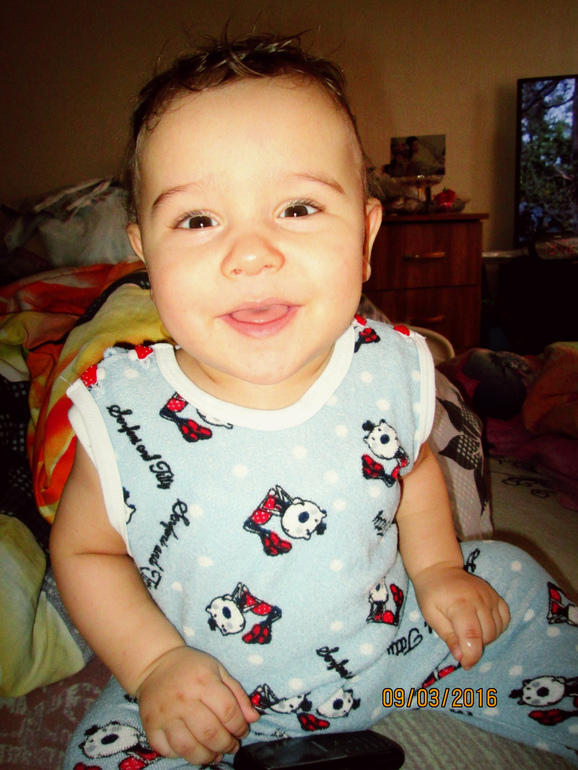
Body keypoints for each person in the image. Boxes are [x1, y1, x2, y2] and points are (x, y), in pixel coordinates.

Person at [50, 32, 577, 769]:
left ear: (365, 236)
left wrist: (437, 571)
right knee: (105, 755)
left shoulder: (386, 365)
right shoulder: (124, 410)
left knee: (507, 580)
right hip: (209, 688)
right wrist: (153, 666)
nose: (251, 253)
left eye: (297, 208)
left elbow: (412, 470)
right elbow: (85, 550)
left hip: (400, 653)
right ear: (144, 253)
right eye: (198, 221)